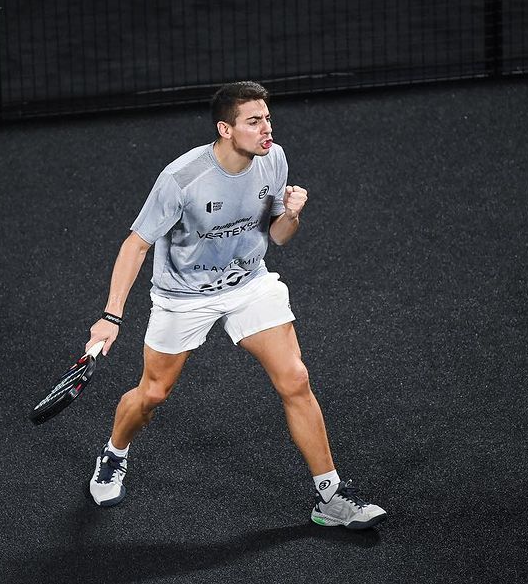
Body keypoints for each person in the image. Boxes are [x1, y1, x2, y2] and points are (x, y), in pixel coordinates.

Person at [82, 81, 386, 529]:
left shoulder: (273, 159)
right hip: (184, 295)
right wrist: (111, 316)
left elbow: (278, 237)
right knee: (153, 394)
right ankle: (114, 454)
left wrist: (292, 214)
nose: (267, 129)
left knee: (295, 379)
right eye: (254, 121)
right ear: (226, 129)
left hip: (248, 283)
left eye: (268, 118)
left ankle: (330, 495)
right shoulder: (182, 178)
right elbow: (136, 245)